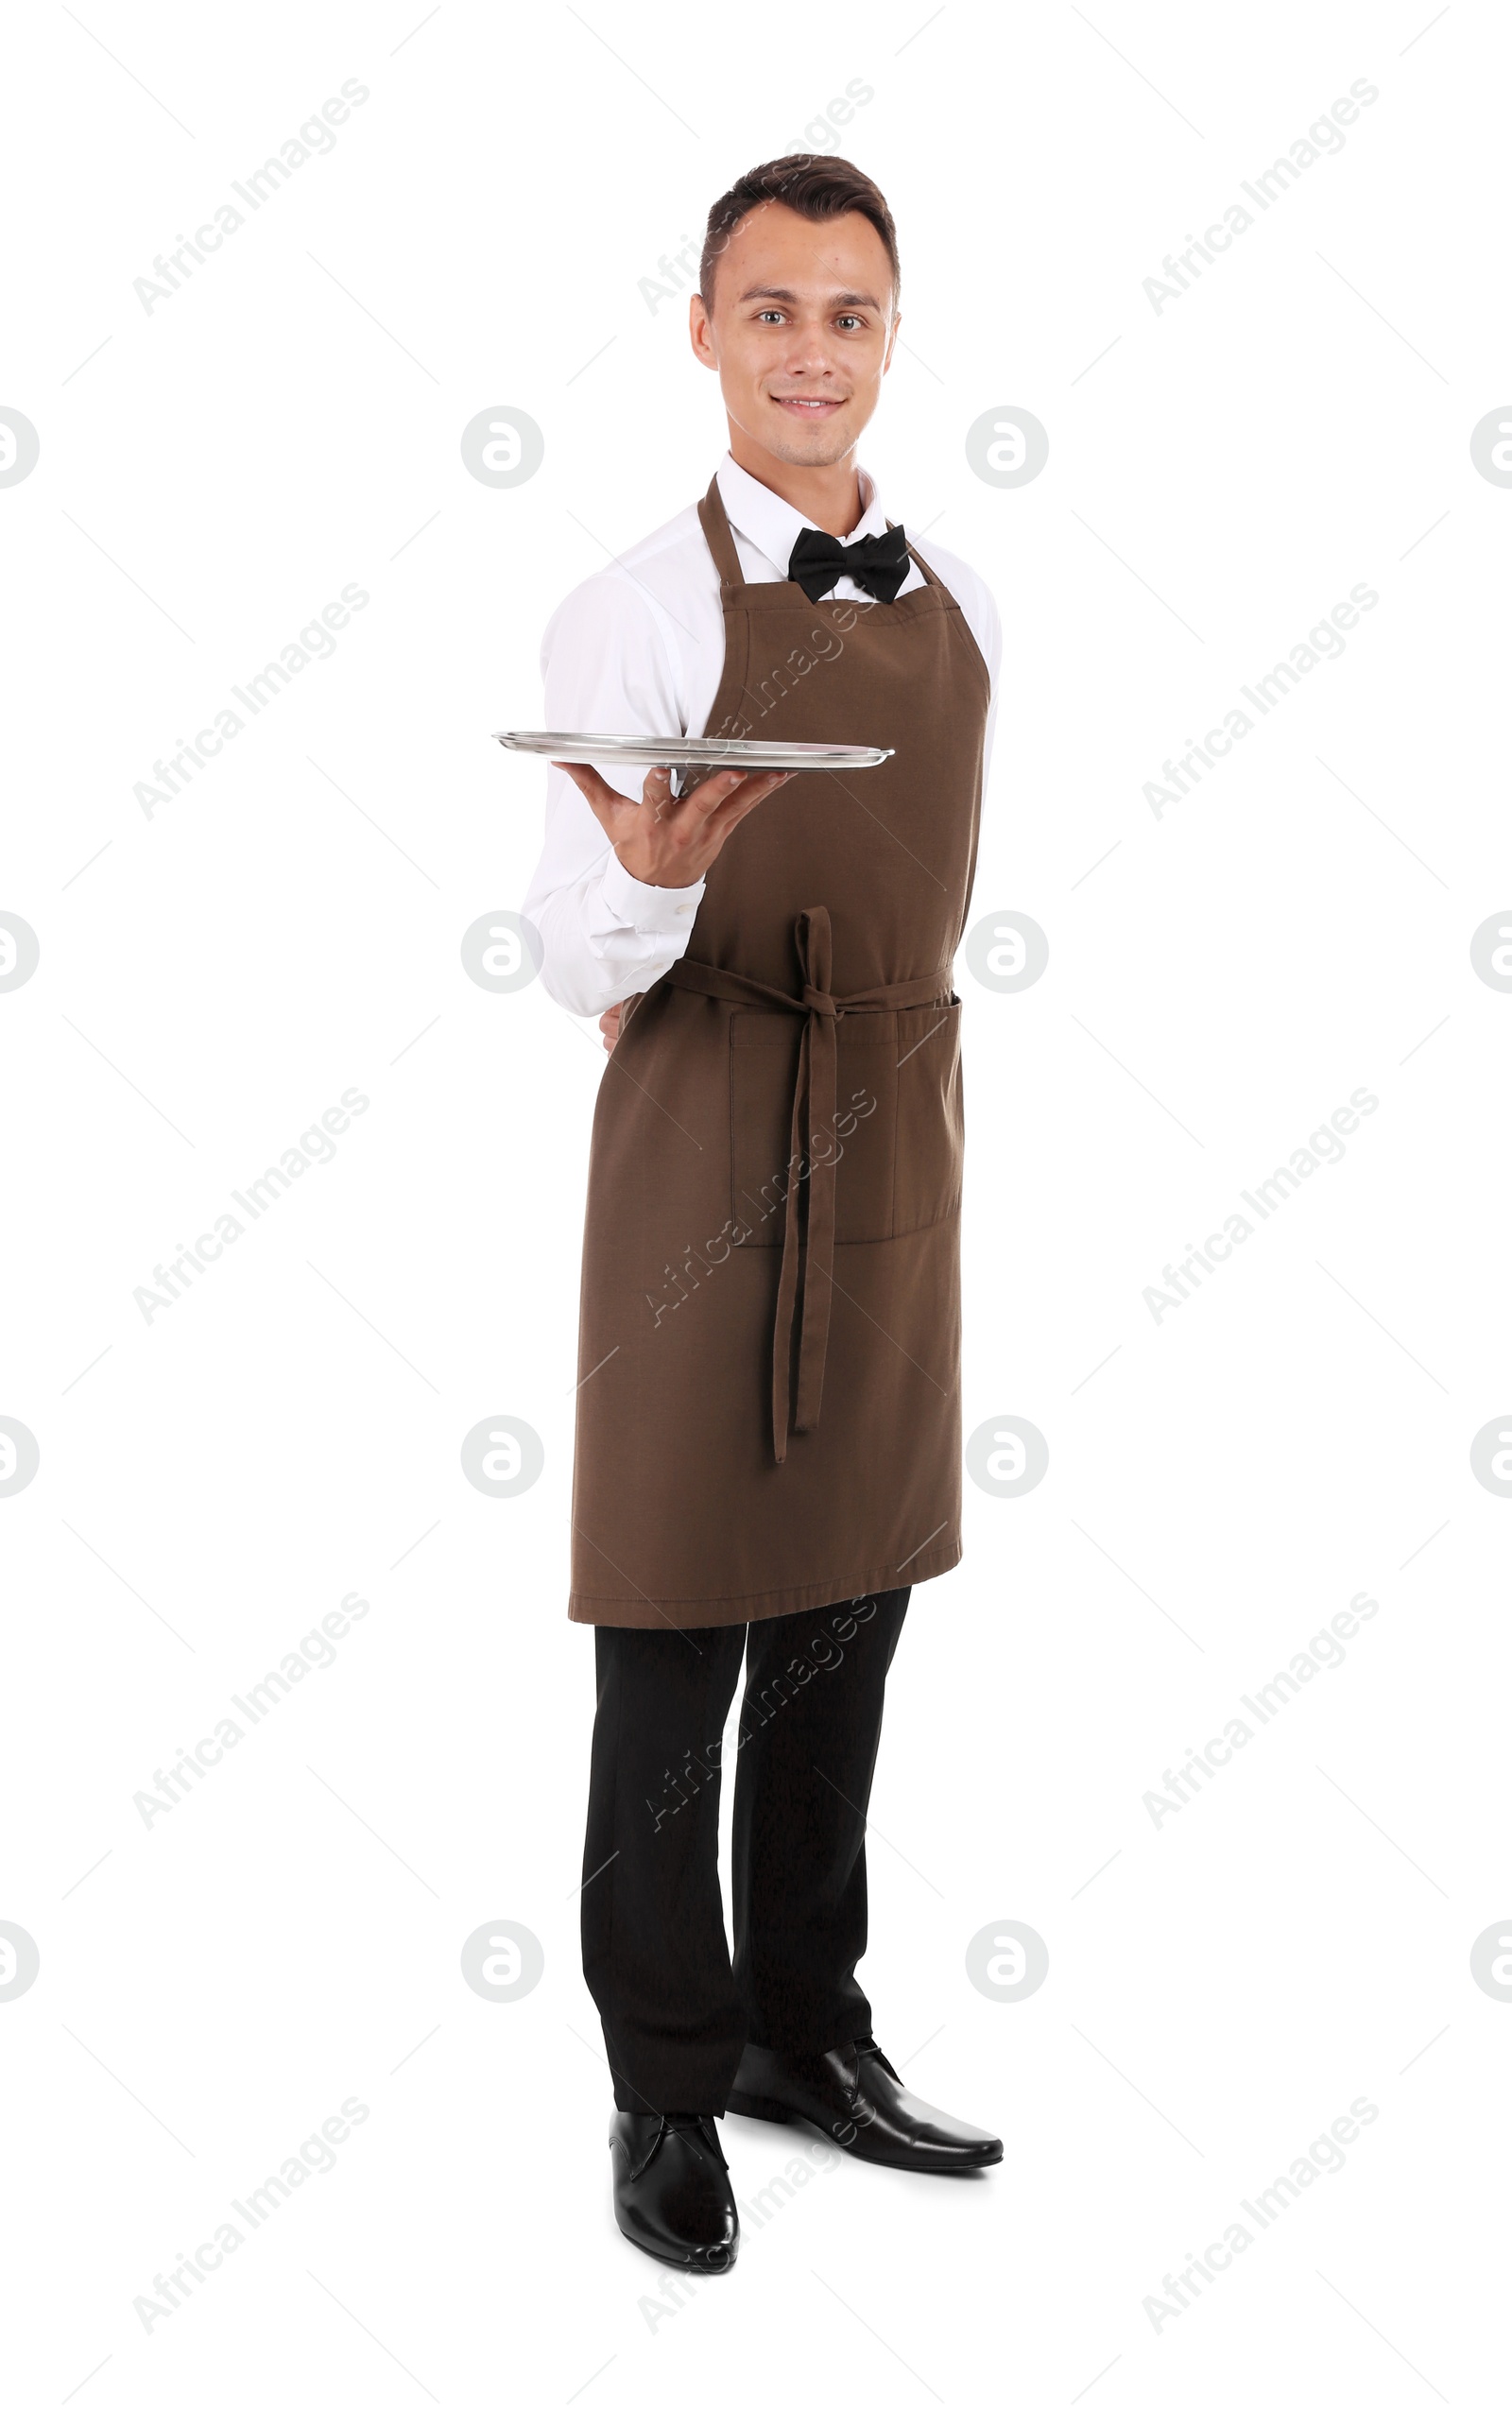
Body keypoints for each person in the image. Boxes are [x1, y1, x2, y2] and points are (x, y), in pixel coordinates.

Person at [522, 154, 1004, 2275]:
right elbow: (575, 962)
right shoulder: (624, 604)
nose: (812, 349)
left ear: (889, 337)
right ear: (701, 330)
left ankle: (809, 2034)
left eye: (850, 312)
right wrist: (646, 862)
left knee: (846, 1626)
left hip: (895, 1120)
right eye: (772, 309)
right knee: (673, 1641)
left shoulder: (966, 600)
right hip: (706, 1120)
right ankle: (663, 2084)